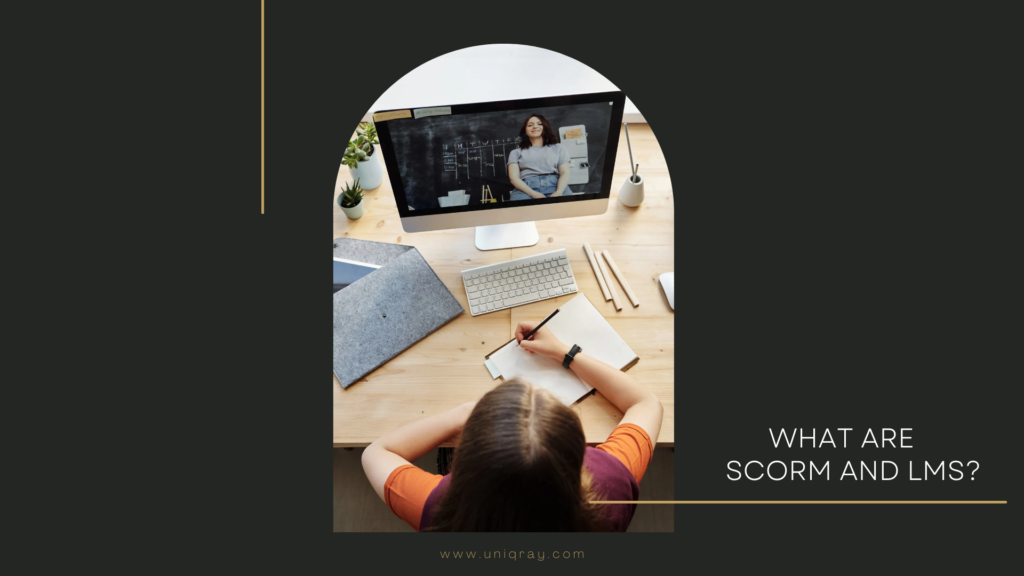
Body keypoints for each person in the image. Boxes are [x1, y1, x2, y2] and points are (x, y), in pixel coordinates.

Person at [361, 320, 663, 531]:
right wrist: (564, 352)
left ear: (463, 461)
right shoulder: (609, 487)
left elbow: (376, 452)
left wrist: (464, 412)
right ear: (579, 457)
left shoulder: (439, 511)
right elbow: (645, 403)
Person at [507, 115, 571, 200]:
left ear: (545, 127)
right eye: (530, 125)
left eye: (539, 124)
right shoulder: (515, 152)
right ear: (525, 131)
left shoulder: (559, 148)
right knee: (519, 211)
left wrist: (558, 192)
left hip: (556, 185)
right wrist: (532, 193)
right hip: (525, 188)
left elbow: (565, 172)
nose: (535, 127)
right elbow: (514, 178)